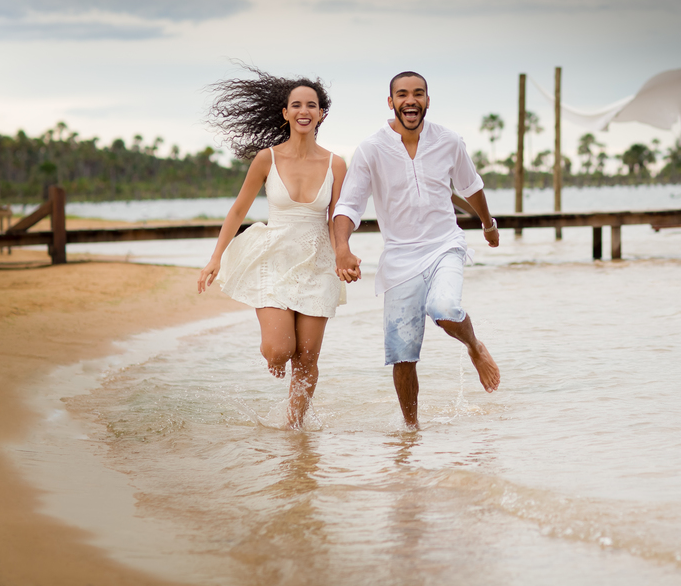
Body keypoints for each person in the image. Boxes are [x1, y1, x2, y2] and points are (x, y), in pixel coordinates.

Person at [333, 71, 500, 429]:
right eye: (403, 94)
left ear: (427, 100)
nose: (411, 100)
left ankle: (474, 345)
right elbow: (349, 204)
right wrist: (342, 247)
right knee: (402, 354)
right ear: (391, 102)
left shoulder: (448, 141)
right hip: (399, 258)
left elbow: (471, 186)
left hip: (444, 245)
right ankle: (411, 432)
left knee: (444, 308)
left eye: (418, 93)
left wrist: (488, 225)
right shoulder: (371, 149)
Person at [197, 65, 348, 429]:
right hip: (273, 259)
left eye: (311, 105)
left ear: (321, 114)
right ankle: (274, 354)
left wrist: (343, 254)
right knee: (281, 350)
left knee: (307, 358)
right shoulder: (267, 158)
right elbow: (238, 210)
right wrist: (216, 258)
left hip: (317, 262)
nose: (304, 111)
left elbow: (337, 219)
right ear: (285, 112)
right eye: (296, 105)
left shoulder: (337, 164)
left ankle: (294, 430)